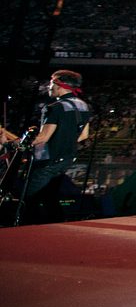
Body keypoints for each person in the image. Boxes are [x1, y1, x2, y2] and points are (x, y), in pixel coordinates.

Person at [26, 70, 92, 223]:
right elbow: (83, 135)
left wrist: (15, 143)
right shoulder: (83, 106)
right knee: (49, 197)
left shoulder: (55, 107)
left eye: (51, 83)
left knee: (29, 198)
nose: (49, 87)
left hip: (48, 160)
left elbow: (43, 138)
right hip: (66, 159)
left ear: (59, 85)